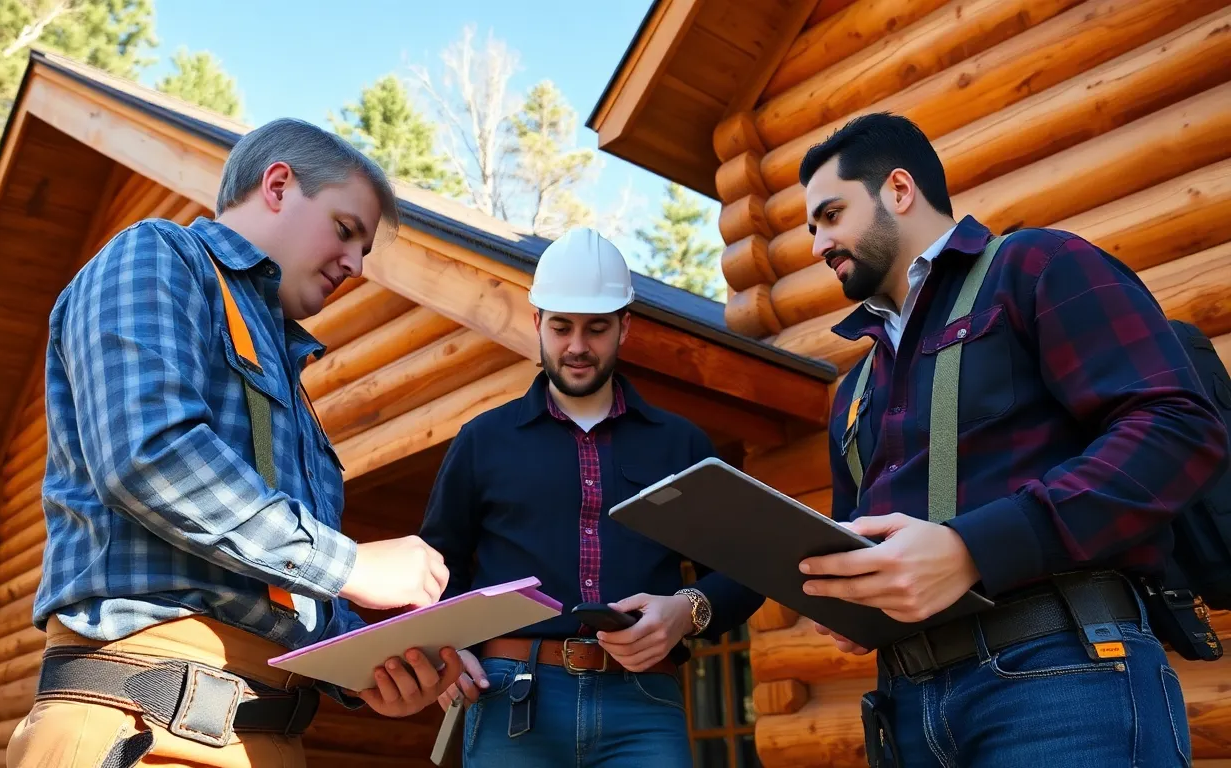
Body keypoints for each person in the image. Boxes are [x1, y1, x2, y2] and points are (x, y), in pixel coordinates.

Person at [8, 118, 463, 768]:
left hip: (272, 737)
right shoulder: (158, 255)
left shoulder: (292, 383)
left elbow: (279, 583)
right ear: (277, 184)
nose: (357, 265)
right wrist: (354, 566)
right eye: (345, 230)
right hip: (137, 727)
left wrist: (368, 669)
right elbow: (150, 456)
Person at [795, 111, 1227, 767]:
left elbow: (1177, 427)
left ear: (899, 190)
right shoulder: (854, 389)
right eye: (809, 227)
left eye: (830, 215)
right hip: (905, 705)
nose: (815, 243)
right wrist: (855, 596)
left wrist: (973, 548)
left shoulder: (1036, 264)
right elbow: (861, 531)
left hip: (1062, 676)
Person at [417, 227, 764, 767]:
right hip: (511, 696)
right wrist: (449, 649)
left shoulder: (682, 443)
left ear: (625, 326)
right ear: (538, 324)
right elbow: (438, 565)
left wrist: (688, 610)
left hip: (644, 701)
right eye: (561, 327)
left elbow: (749, 565)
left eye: (596, 328)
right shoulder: (482, 441)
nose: (577, 346)